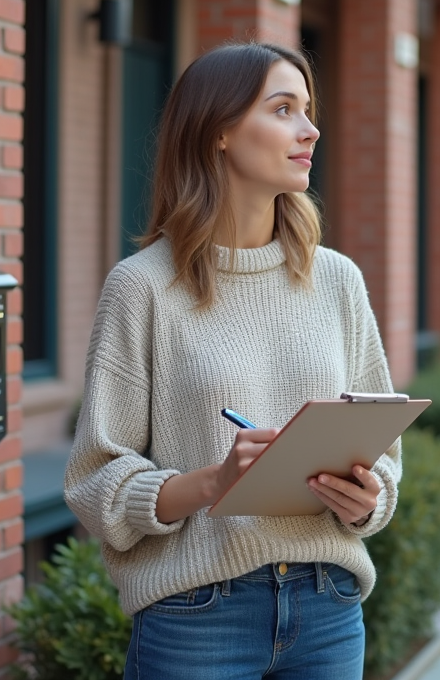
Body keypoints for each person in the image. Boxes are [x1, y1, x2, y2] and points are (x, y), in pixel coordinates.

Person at [64, 42, 400, 680]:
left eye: (308, 109)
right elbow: (95, 480)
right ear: (218, 131)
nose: (311, 129)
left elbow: (384, 454)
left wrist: (367, 499)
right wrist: (214, 484)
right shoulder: (143, 287)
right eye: (283, 108)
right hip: (197, 616)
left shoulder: (337, 280)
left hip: (328, 608)